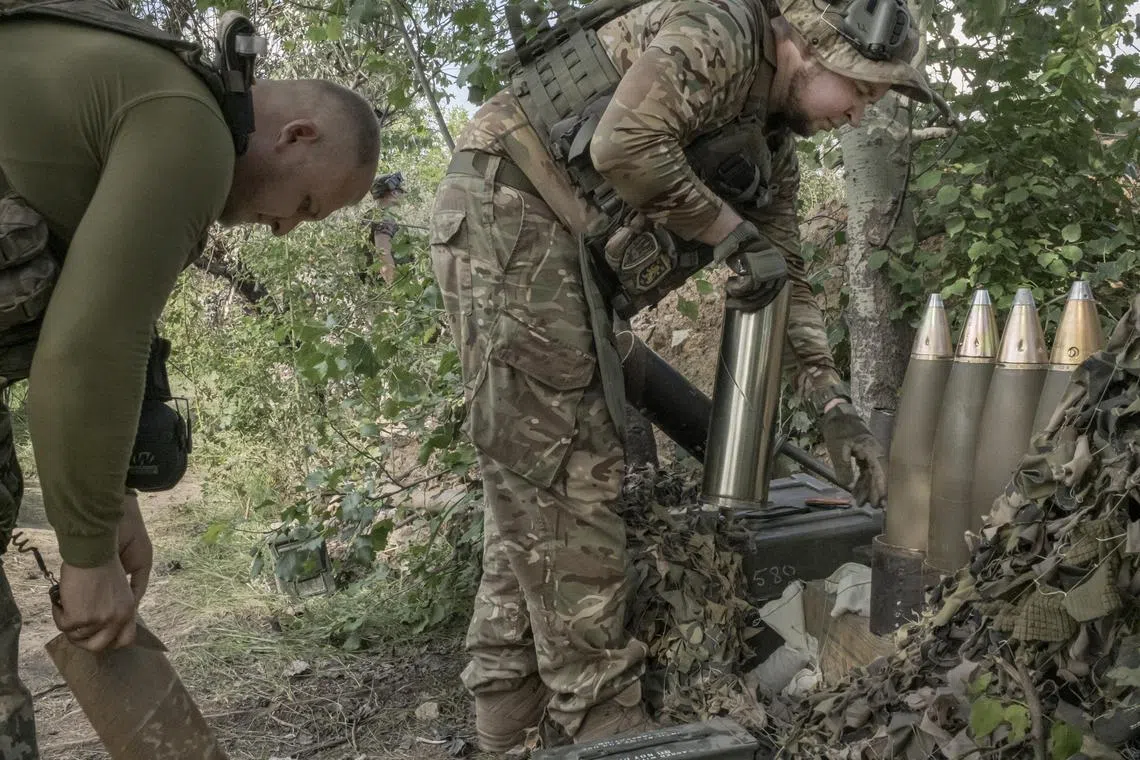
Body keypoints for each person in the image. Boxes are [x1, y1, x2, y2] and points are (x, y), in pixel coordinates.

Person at [430, 0, 934, 751]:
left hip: (557, 249)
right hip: (513, 210)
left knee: (536, 485)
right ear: (813, 50)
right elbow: (623, 144)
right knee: (573, 477)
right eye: (859, 93)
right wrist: (732, 237)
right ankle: (604, 722)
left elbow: (786, 276)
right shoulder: (722, 31)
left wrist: (832, 403)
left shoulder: (773, 150)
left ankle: (506, 715)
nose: (858, 116)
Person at [0, 1, 381, 754]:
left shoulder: (163, 94)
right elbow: (85, 350)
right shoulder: (193, 131)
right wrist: (86, 557)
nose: (284, 228)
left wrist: (114, 502)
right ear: (295, 135)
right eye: (304, 204)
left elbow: (110, 314)